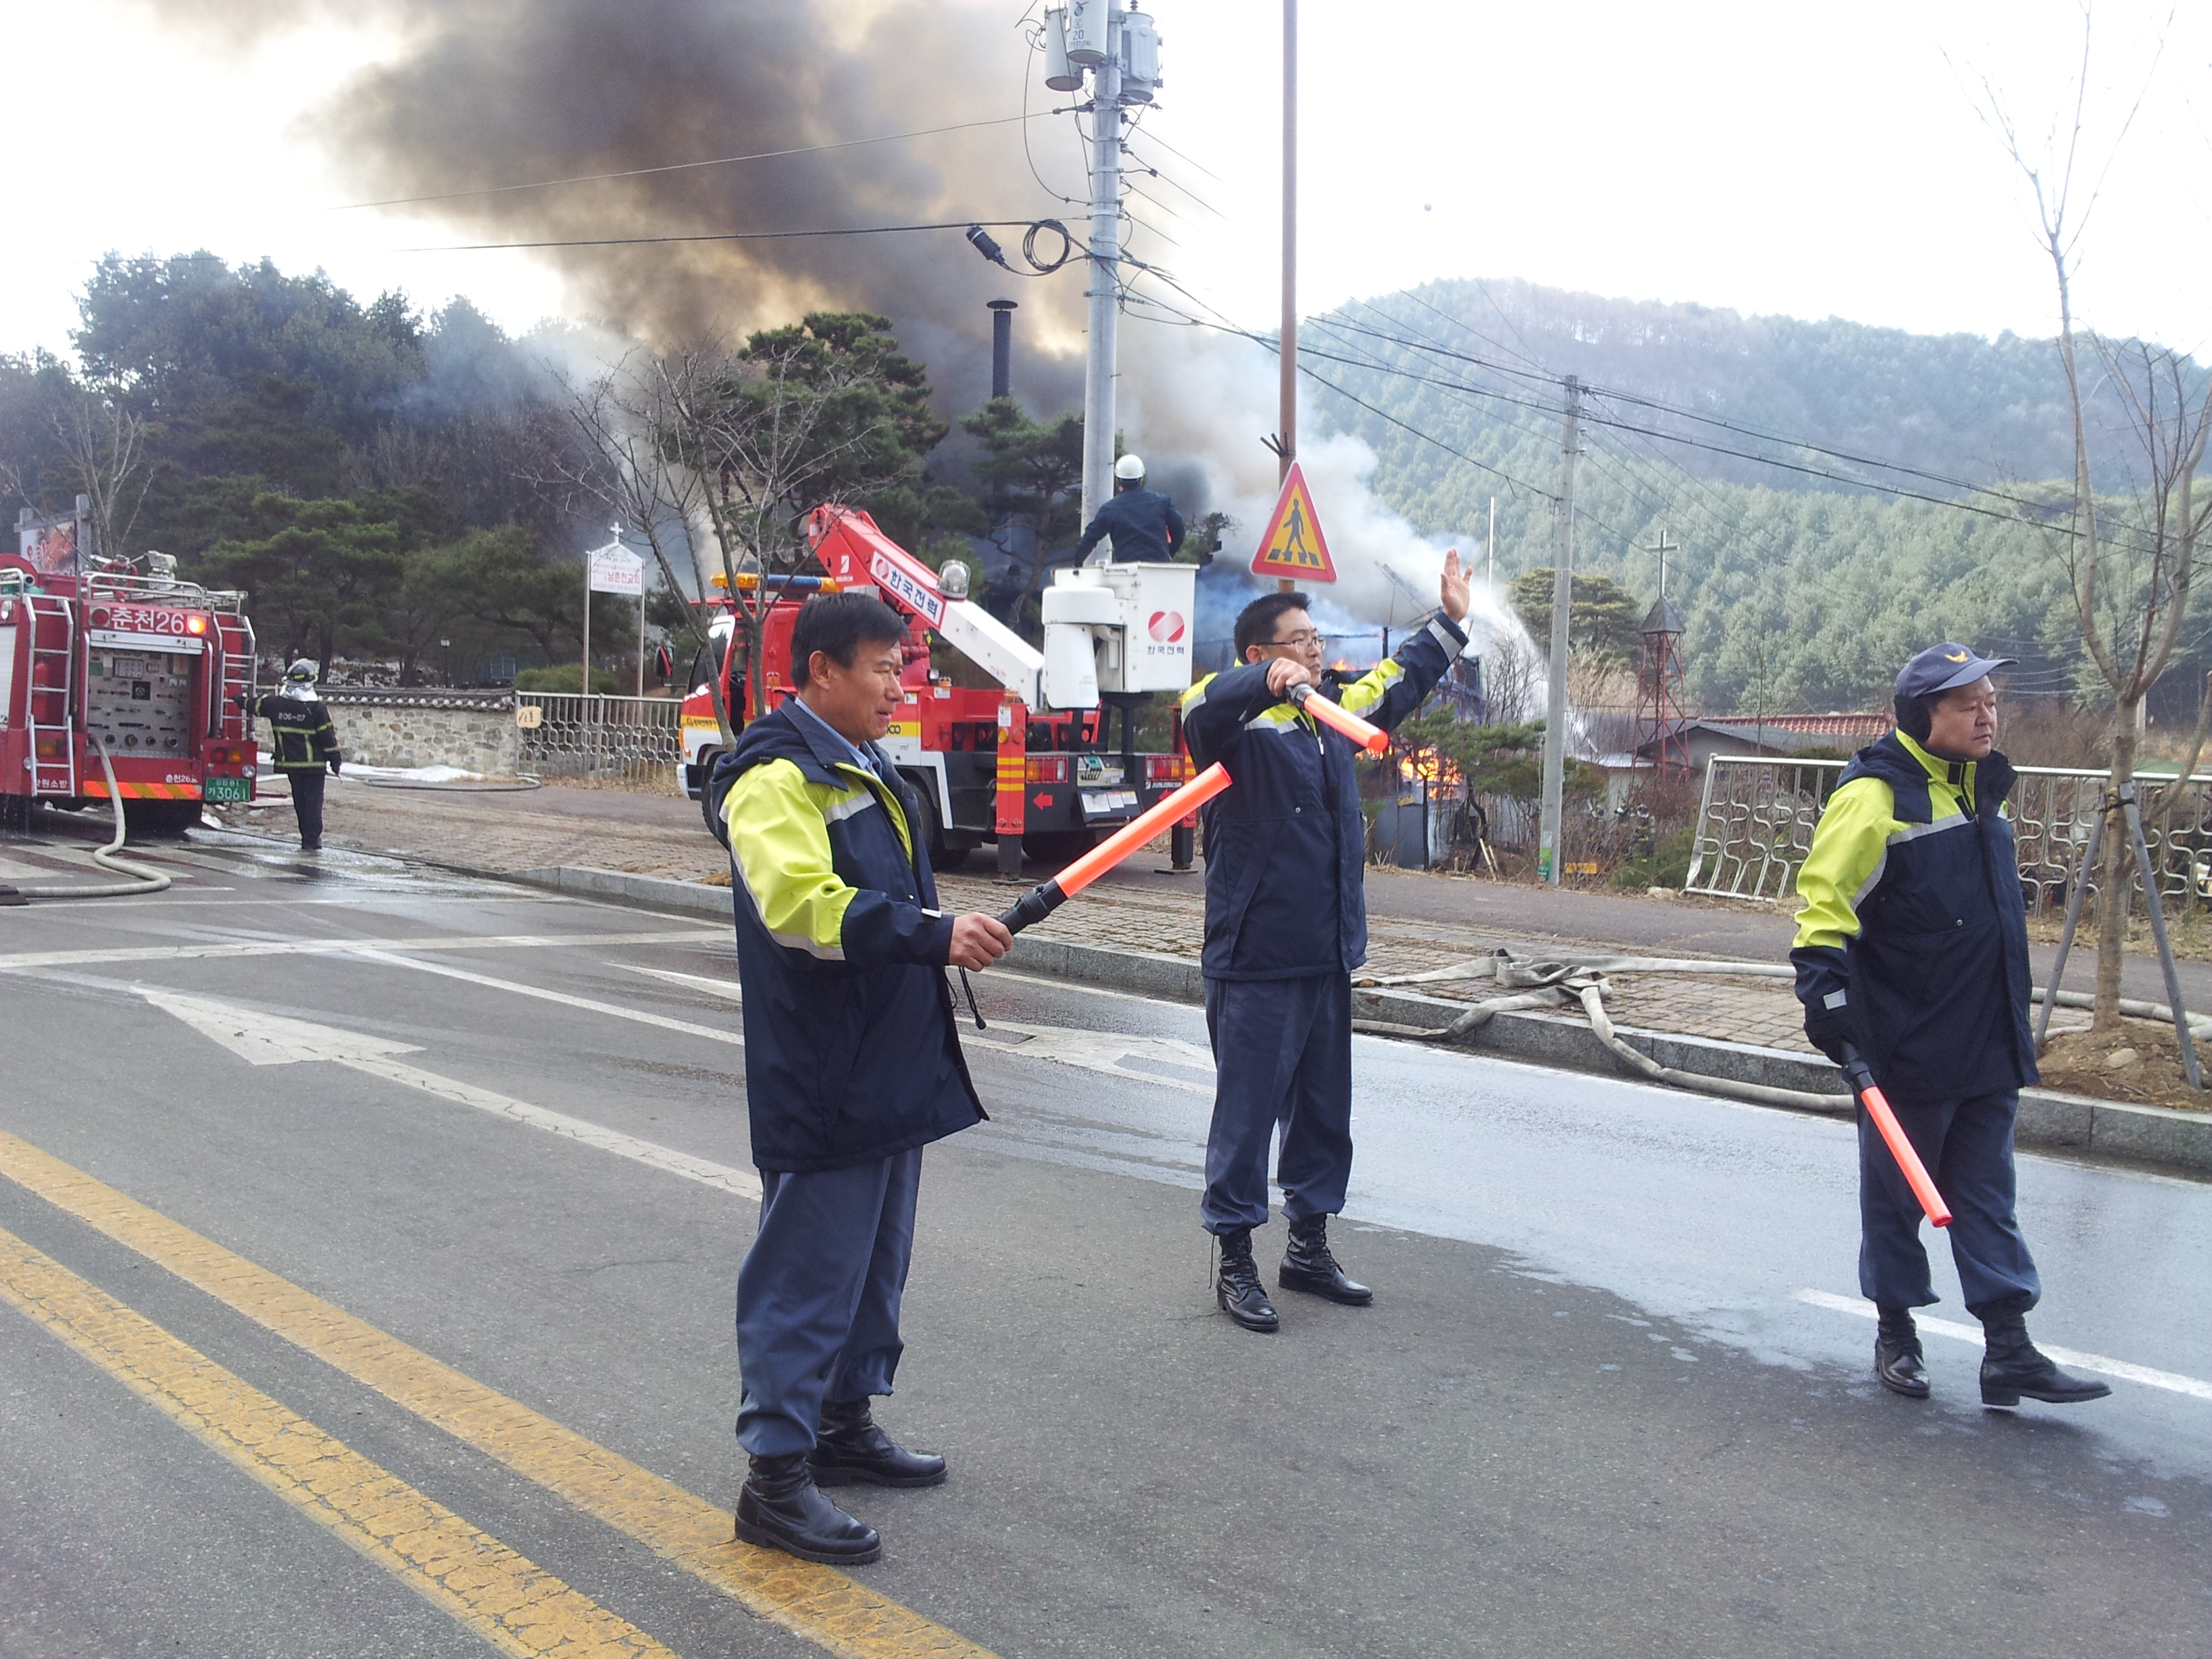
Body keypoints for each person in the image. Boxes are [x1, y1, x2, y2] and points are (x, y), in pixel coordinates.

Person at [709, 591, 1013, 1564]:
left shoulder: (868, 764)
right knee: (807, 1275)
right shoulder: (774, 778)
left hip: (890, 1064)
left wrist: (932, 935)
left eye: (903, 669)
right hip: (826, 1074)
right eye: (884, 668)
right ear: (822, 670)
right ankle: (775, 1480)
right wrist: (932, 934)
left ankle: (843, 1426)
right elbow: (802, 906)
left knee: (875, 1268)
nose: (899, 687)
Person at [1791, 644, 2110, 1409]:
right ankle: (1896, 1333)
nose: (1986, 716)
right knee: (1898, 1200)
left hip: (1989, 1036)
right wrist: (1827, 999)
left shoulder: (1982, 793)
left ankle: (2009, 1351)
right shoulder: (1876, 798)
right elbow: (1824, 905)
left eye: (1991, 702)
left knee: (1989, 1198)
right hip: (1908, 1042)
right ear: (1920, 716)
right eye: (1968, 705)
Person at [1178, 555, 1473, 1332]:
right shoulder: (1234, 726)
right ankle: (1234, 1259)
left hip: (1327, 950)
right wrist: (1262, 683)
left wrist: (1449, 623)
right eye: (1299, 641)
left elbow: (1397, 682)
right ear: (1259, 653)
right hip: (1256, 956)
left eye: (1316, 639)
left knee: (1321, 1113)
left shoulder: (1331, 715)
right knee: (1247, 1117)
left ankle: (1307, 1247)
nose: (1315, 650)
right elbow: (1197, 703)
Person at [243, 659, 342, 851]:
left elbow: (254, 705)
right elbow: (328, 738)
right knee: (313, 802)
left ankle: (306, 836)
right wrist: (335, 761)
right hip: (314, 766)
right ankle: (311, 840)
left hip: (291, 765)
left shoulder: (275, 704)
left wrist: (236, 698)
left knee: (300, 802)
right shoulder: (316, 708)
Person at [1075, 453, 1187, 564]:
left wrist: (1078, 563)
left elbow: (1090, 538)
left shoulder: (1110, 509)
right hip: (1160, 568)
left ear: (1118, 482)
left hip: (1128, 570)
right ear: (1141, 480)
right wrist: (1169, 552)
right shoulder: (1163, 502)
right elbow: (1179, 530)